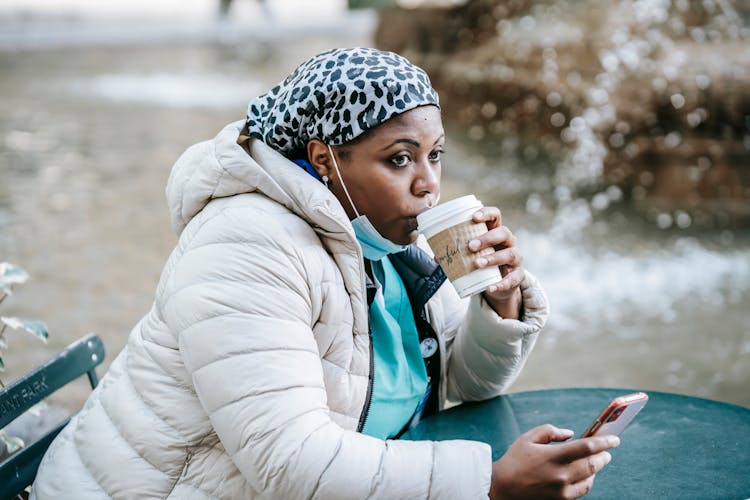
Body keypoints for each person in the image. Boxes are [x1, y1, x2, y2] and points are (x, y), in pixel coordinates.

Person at [32, 47, 618, 499]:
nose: (428, 183)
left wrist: (501, 304)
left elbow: (459, 390)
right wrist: (488, 483)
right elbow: (289, 462)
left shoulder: (393, 243)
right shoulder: (246, 245)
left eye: (434, 154)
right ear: (323, 160)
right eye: (399, 158)